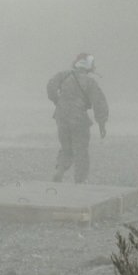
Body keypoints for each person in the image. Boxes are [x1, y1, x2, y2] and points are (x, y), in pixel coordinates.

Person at [46, 53, 109, 183]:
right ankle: (80, 181)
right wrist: (102, 124)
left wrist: (57, 101)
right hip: (79, 118)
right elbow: (99, 103)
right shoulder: (90, 82)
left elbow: (50, 87)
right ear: (89, 67)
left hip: (61, 116)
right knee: (81, 150)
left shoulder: (63, 75)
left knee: (66, 147)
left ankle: (60, 170)